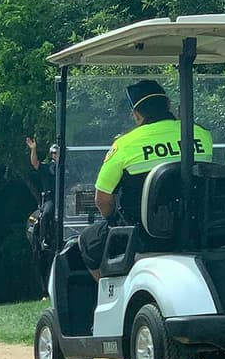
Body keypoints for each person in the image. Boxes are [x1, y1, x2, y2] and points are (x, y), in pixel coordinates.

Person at [78, 80, 213, 279]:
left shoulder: (124, 145)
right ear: (168, 104)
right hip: (197, 229)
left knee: (88, 240)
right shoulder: (201, 135)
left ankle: (111, 296)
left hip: (142, 237)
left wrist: (115, 221)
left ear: (136, 114)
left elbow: (102, 200)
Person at [26, 137, 59, 238]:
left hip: (66, 198)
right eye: (54, 153)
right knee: (46, 214)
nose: (56, 155)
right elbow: (35, 163)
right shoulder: (46, 167)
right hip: (51, 198)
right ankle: (43, 238)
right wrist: (33, 149)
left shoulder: (68, 168)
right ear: (51, 154)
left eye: (57, 152)